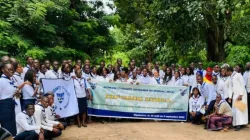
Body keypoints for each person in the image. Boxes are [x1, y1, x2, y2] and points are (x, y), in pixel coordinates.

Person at [227, 67, 248, 131]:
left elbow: (242, 84)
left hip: (241, 95)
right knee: (234, 110)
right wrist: (230, 97)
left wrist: (241, 94)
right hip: (235, 96)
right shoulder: (230, 77)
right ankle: (236, 124)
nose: (225, 73)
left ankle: (239, 124)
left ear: (229, 71)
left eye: (226, 71)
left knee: (239, 110)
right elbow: (230, 88)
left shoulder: (238, 75)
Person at [0, 63, 17, 136]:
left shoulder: (11, 79)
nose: (11, 71)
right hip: (4, 105)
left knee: (12, 126)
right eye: (9, 69)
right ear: (3, 70)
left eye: (13, 70)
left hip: (11, 104)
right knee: (7, 126)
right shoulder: (1, 81)